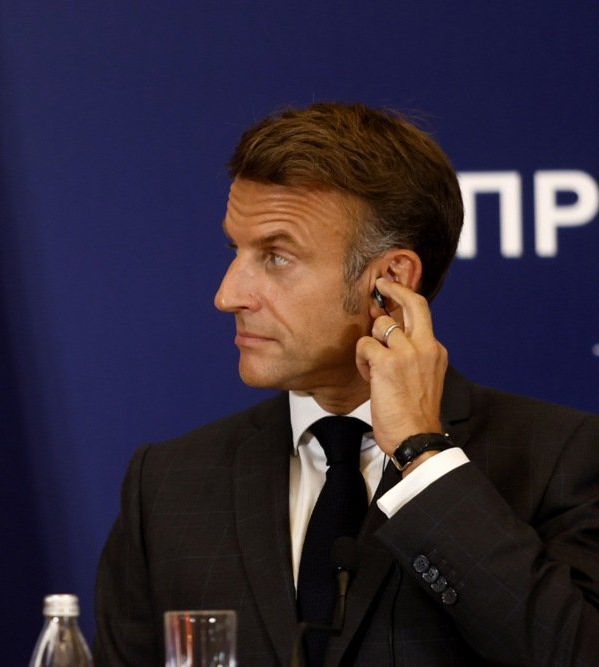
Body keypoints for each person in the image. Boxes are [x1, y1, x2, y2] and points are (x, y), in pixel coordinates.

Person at [93, 102, 599, 666]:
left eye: (276, 257)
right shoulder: (166, 485)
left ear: (389, 281)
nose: (228, 294)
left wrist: (421, 454)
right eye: (234, 250)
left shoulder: (563, 460)